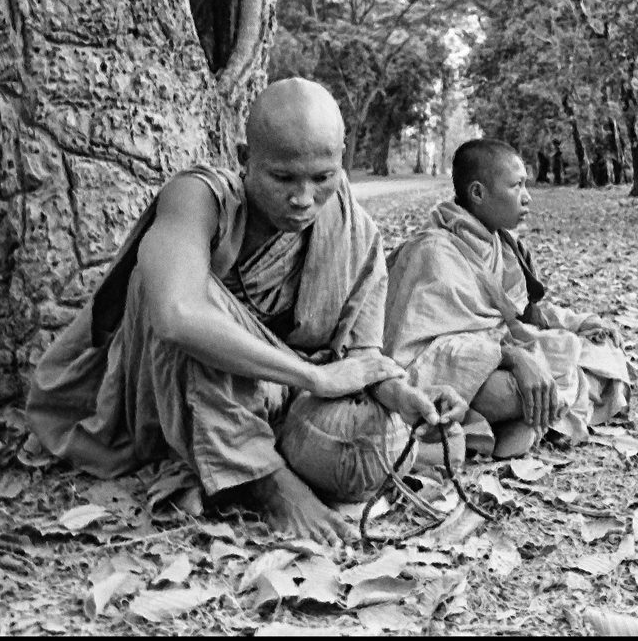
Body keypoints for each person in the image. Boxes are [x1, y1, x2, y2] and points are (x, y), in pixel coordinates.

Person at [26, 78, 467, 546]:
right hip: (166, 387)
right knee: (174, 296)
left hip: (276, 397)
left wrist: (402, 394)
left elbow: (363, 358)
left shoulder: (356, 233)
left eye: (323, 178)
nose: (303, 199)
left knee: (394, 445)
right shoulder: (198, 197)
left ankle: (232, 460)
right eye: (283, 178)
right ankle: (266, 482)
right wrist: (312, 377)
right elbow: (176, 315)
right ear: (243, 158)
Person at [383, 138, 631, 460]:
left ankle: (525, 419)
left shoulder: (506, 244)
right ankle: (525, 416)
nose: (527, 197)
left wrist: (579, 322)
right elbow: (416, 354)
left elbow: (528, 314)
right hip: (456, 373)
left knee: (601, 352)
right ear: (477, 193)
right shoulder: (432, 252)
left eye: (525, 185)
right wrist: (510, 357)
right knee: (502, 394)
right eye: (516, 186)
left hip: (501, 349)